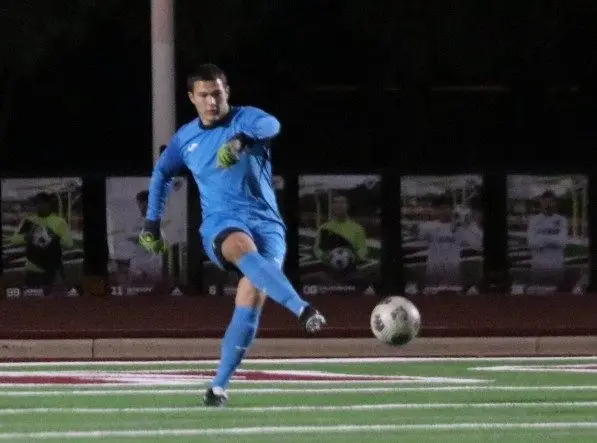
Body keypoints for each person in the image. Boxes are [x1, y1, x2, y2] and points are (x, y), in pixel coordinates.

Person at [139, 63, 327, 407]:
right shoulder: (186, 138)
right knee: (240, 246)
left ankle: (218, 387)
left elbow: (273, 124)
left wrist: (242, 140)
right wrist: (152, 222)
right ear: (191, 98)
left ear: (227, 92)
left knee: (252, 294)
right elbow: (162, 172)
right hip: (221, 222)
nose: (211, 101)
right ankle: (301, 308)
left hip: (267, 224)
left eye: (217, 93)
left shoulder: (246, 119)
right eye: (203, 95)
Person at [7, 192, 73, 292]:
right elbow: (14, 240)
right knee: (33, 299)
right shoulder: (29, 221)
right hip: (32, 270)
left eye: (42, 203)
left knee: (54, 299)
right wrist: (26, 237)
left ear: (48, 204)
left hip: (53, 271)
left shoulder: (59, 222)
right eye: (37, 203)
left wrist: (56, 236)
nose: (39, 206)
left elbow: (69, 244)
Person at [526, 190, 567, 289]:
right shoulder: (534, 221)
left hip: (557, 268)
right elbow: (531, 243)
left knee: (557, 296)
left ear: (555, 203)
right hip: (538, 268)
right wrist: (553, 239)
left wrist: (541, 238)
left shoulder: (562, 220)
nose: (548, 205)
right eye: (545, 202)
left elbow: (562, 242)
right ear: (541, 203)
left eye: (550, 202)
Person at [313, 195, 368, 268]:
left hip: (350, 270)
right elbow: (316, 249)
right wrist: (323, 256)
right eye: (336, 202)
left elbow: (363, 249)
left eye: (342, 202)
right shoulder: (324, 228)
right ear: (332, 206)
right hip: (329, 269)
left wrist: (353, 256)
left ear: (347, 206)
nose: (339, 205)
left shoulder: (357, 228)